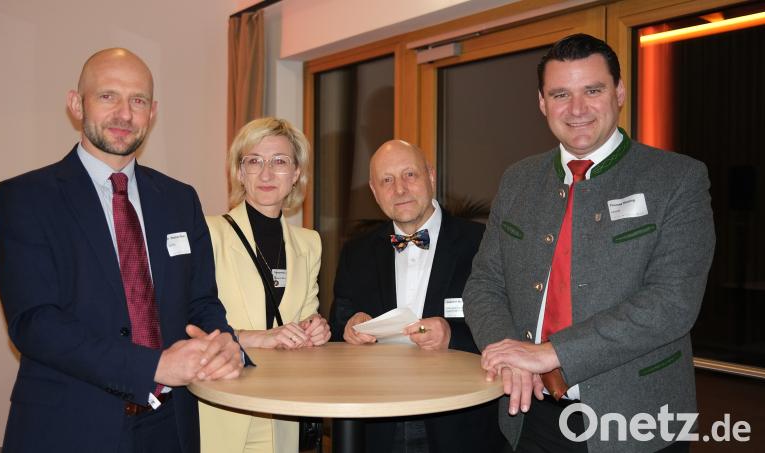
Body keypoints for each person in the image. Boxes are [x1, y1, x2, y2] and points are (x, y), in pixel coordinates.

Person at [463, 33, 715, 452]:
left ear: (618, 93)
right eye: (560, 94)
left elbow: (672, 303)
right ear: (542, 103)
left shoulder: (677, 179)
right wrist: (509, 354)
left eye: (592, 90)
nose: (576, 109)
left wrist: (552, 352)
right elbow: (485, 284)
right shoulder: (518, 180)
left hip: (635, 417)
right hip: (529, 413)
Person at [0, 48, 246, 453]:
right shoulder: (25, 198)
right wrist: (153, 366)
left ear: (153, 111)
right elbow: (35, 322)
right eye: (108, 96)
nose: (125, 114)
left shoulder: (180, 199)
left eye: (138, 100)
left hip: (171, 425)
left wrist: (225, 344)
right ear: (77, 104)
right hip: (69, 425)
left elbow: (201, 302)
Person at [329, 140, 505, 453]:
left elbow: (511, 326)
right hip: (379, 422)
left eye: (409, 174)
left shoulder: (482, 243)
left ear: (431, 176)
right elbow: (339, 317)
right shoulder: (357, 251)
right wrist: (350, 325)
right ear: (374, 190)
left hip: (460, 423)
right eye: (387, 180)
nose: (399, 189)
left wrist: (453, 334)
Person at [199, 117, 330, 453]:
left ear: (297, 173)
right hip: (221, 404)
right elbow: (190, 324)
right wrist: (257, 338)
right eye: (254, 161)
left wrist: (315, 329)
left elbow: (304, 316)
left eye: (280, 162)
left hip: (281, 408)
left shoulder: (310, 242)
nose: (267, 174)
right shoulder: (208, 233)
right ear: (240, 173)